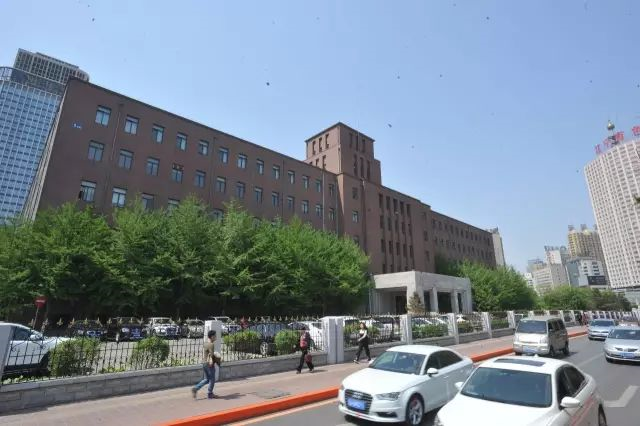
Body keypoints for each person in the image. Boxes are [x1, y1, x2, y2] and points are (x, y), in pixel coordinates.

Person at [192, 330, 220, 399]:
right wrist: (218, 360)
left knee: (207, 379)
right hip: (209, 364)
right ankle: (210, 394)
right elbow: (211, 355)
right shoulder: (211, 344)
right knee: (212, 379)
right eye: (215, 335)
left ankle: (196, 388)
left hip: (204, 363)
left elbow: (206, 354)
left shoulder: (205, 344)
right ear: (212, 336)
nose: (216, 337)